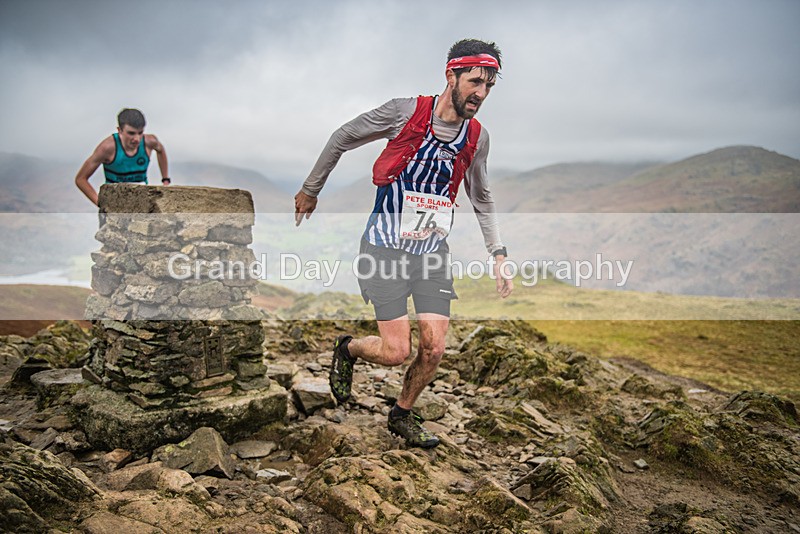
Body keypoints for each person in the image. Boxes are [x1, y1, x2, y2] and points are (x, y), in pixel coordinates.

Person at [294, 38, 513, 448]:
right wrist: (312, 188)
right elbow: (343, 136)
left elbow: (481, 196)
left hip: (431, 254)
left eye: (490, 86)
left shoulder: (477, 138)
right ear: (451, 75)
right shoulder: (404, 112)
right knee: (396, 351)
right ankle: (348, 349)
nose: (481, 94)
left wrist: (498, 253)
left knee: (433, 348)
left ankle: (402, 414)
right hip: (384, 251)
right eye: (475, 82)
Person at [75, 108, 170, 206]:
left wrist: (165, 180)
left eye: (140, 132)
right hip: (115, 202)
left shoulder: (149, 142)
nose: (137, 139)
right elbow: (81, 179)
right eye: (131, 133)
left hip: (141, 202)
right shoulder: (107, 148)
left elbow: (161, 150)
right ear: (119, 130)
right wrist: (101, 204)